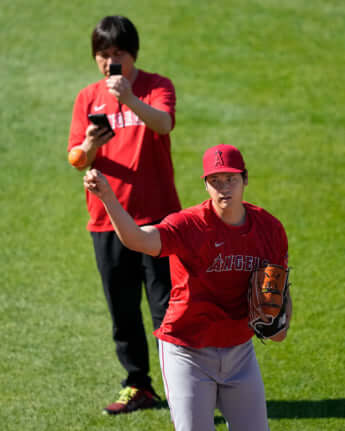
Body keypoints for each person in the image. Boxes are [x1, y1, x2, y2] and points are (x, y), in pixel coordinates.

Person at [83, 143, 292, 430]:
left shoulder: (270, 228)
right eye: (214, 181)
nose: (223, 188)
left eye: (230, 179)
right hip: (187, 352)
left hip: (239, 352)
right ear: (206, 185)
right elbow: (137, 240)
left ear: (245, 179)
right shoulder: (189, 225)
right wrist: (107, 196)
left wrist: (281, 324)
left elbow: (281, 288)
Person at [68, 15, 181, 414]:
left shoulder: (156, 86)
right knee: (122, 308)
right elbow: (78, 160)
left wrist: (130, 98)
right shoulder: (87, 98)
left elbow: (163, 124)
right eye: (103, 55)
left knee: (167, 308)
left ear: (133, 54)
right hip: (107, 220)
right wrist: (89, 144)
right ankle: (138, 385)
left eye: (118, 54)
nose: (110, 62)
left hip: (159, 220)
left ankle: (184, 385)